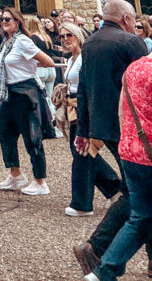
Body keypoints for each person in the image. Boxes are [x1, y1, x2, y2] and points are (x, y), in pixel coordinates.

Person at [72, 0, 149, 279]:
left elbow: (83, 88)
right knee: (136, 196)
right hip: (133, 130)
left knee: (140, 194)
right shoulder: (131, 43)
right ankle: (96, 247)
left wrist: (83, 129)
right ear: (127, 19)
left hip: (104, 126)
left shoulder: (90, 43)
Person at [82, 50, 152, 281]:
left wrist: (128, 142)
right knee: (141, 217)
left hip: (132, 151)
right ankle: (104, 271)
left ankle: (103, 272)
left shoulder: (134, 68)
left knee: (141, 216)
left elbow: (123, 109)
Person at [58, 22, 121, 217]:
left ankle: (85, 202)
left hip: (85, 109)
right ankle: (113, 188)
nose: (66, 39)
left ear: (78, 36)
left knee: (83, 152)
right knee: (83, 152)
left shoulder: (85, 56)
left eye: (70, 35)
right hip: (74, 109)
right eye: (62, 36)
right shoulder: (70, 60)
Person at [0, 6, 54, 195]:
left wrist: (30, 66)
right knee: (4, 131)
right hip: (9, 93)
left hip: (24, 92)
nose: (3, 22)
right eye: (2, 19)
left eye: (7, 19)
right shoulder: (6, 42)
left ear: (17, 22)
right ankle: (16, 174)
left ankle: (40, 181)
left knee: (31, 137)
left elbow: (48, 61)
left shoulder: (23, 41)